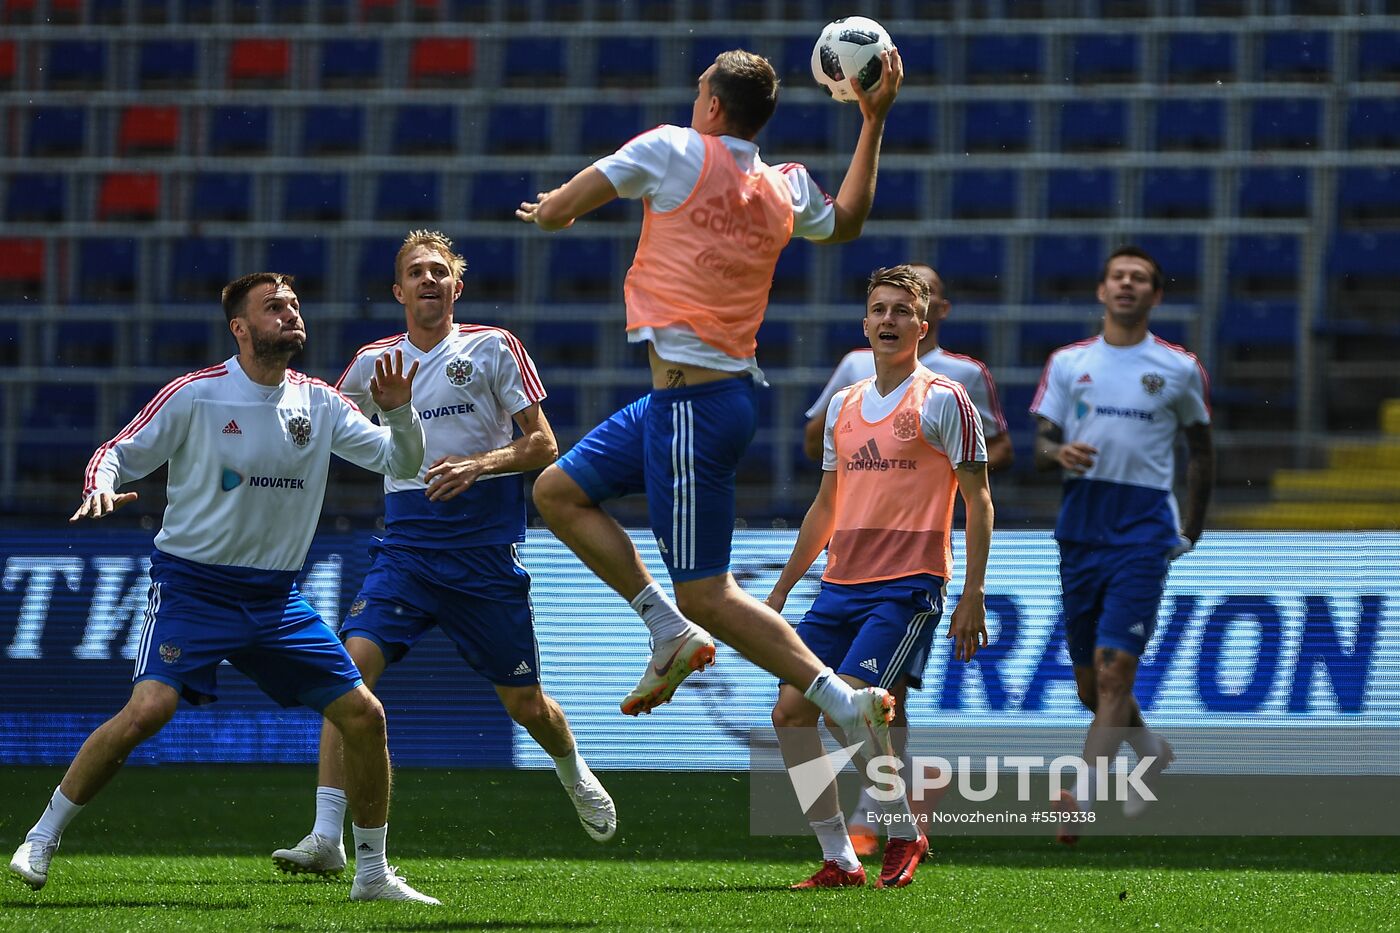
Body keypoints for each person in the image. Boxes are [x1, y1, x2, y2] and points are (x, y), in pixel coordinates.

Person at [516, 48, 907, 753]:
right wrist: (871, 122)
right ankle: (665, 628)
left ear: (714, 106)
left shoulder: (671, 148)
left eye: (700, 89)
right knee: (556, 490)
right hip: (685, 404)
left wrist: (547, 210)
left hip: (693, 411)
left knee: (709, 594)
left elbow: (560, 211)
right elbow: (847, 221)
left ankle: (836, 696)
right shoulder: (784, 185)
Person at [8, 273, 440, 904]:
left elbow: (402, 464)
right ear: (240, 328)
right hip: (194, 588)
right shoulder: (196, 395)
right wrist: (99, 483)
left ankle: (372, 874)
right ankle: (42, 835)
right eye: (273, 308)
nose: (290, 314)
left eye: (294, 305)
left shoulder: (320, 402)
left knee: (364, 716)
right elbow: (118, 451)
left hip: (277, 600)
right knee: (147, 712)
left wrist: (400, 413)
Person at [271, 231, 615, 878]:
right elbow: (324, 429)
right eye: (415, 272)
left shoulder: (493, 347)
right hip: (406, 549)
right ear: (399, 291)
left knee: (526, 704)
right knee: (347, 677)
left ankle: (574, 772)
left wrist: (479, 465)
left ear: (457, 287)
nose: (428, 279)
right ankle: (325, 835)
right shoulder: (375, 361)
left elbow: (542, 445)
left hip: (484, 553)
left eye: (440, 271)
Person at [766, 266, 993, 889]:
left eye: (901, 310)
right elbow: (825, 506)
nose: (888, 320)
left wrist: (971, 594)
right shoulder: (843, 404)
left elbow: (978, 499)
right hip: (838, 586)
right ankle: (840, 857)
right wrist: (786, 585)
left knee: (855, 710)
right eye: (878, 310)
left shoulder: (945, 399)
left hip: (908, 585)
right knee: (789, 714)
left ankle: (900, 830)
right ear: (864, 323)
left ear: (924, 324)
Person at [1030, 246, 1213, 842]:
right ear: (1102, 291)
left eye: (1140, 279)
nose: (1127, 285)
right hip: (1082, 526)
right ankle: (1150, 749)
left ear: (1156, 296)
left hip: (1142, 530)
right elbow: (1040, 446)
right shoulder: (1067, 362)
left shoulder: (1180, 369)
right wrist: (1059, 453)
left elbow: (1202, 449)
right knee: (1091, 686)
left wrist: (1192, 527)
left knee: (1115, 672)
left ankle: (1080, 796)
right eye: (1118, 277)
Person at [803, 263, 1012, 471]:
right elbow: (814, 443)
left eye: (926, 290)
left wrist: (941, 474)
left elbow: (1000, 448)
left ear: (943, 308)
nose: (890, 316)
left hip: (931, 502)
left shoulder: (967, 374)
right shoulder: (854, 364)